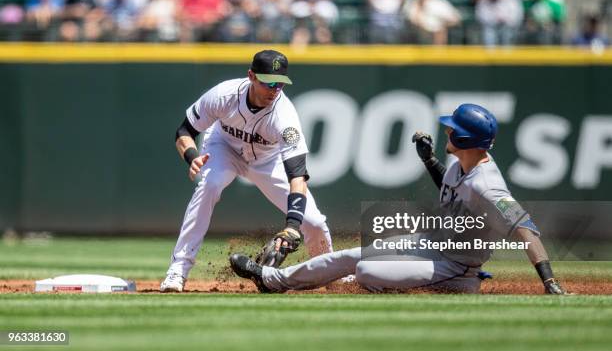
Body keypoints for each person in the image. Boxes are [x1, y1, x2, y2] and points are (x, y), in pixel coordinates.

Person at [229, 103, 568, 295]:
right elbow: (450, 191)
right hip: (433, 244)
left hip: (455, 264)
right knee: (350, 256)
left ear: (464, 138)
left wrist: (549, 281)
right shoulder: (460, 163)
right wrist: (429, 161)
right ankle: (271, 280)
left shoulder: (488, 186)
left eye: (452, 129)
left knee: (365, 272)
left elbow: (526, 228)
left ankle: (456, 285)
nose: (446, 131)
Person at [160, 49, 334, 292]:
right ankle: (177, 271)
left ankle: (330, 276)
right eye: (269, 82)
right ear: (251, 76)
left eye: (280, 84)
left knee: (313, 222)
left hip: (268, 160)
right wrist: (192, 157)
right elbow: (184, 132)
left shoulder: (284, 116)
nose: (274, 90)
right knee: (210, 185)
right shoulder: (224, 95)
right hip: (223, 148)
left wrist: (293, 225)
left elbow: (298, 175)